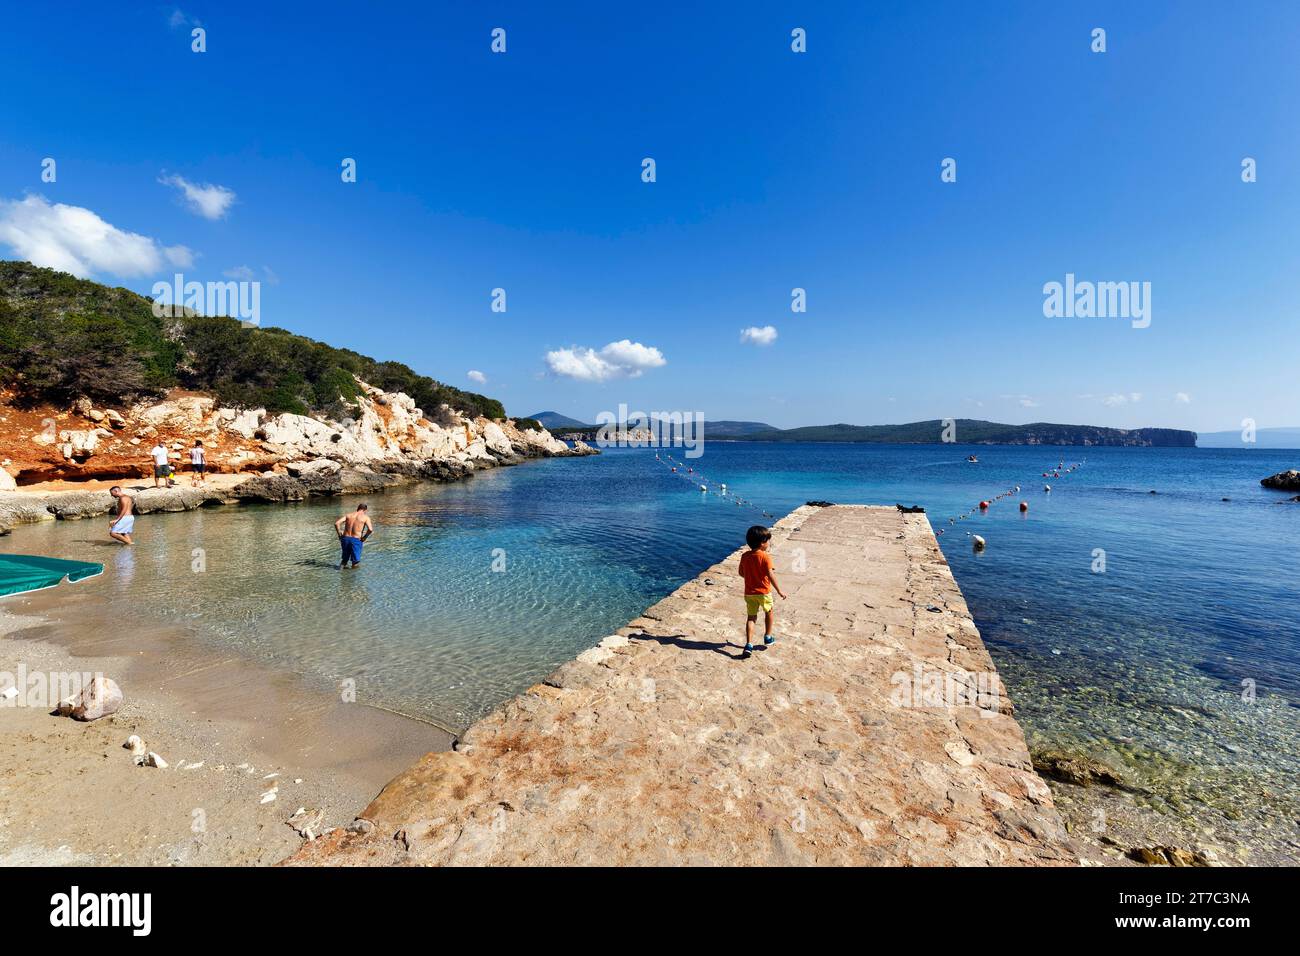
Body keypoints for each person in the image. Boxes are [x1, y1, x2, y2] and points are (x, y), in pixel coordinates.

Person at [738, 524, 786, 659]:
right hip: (764, 592)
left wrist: (750, 577)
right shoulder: (765, 557)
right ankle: (768, 636)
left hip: (749, 593)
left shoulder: (745, 556)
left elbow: (741, 573)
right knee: (769, 612)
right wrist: (779, 590)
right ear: (762, 543)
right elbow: (771, 575)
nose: (769, 543)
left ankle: (748, 644)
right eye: (768, 540)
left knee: (751, 617)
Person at [334, 503, 373, 569]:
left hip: (345, 538)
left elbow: (337, 523)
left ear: (357, 508)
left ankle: (340, 574)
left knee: (344, 560)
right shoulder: (365, 517)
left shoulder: (348, 515)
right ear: (365, 510)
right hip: (356, 540)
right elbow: (370, 529)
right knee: (355, 562)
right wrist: (364, 538)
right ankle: (353, 577)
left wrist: (339, 535)